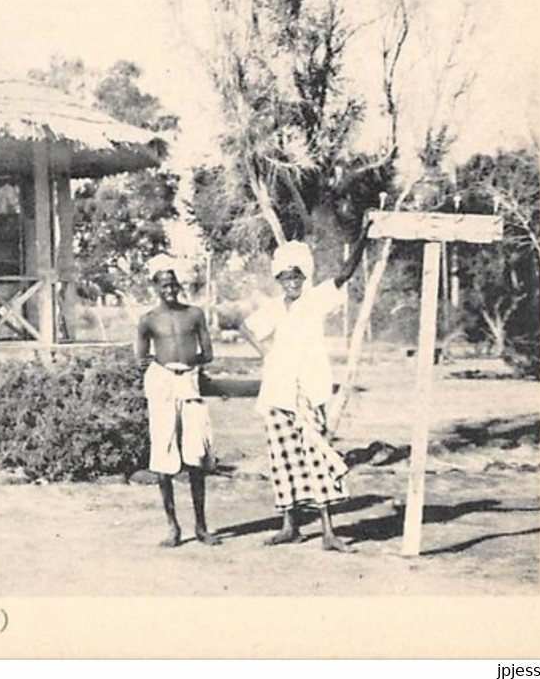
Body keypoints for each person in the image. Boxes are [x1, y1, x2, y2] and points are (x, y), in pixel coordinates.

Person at [240, 234, 369, 552]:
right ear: (278, 280)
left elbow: (345, 273)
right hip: (276, 390)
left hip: (308, 389)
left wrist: (363, 236)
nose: (291, 282)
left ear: (304, 276)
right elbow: (245, 327)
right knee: (282, 459)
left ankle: (328, 532)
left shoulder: (316, 300)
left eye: (296, 276)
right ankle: (290, 527)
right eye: (285, 277)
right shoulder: (271, 308)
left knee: (317, 455)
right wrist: (266, 353)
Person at [135, 254, 219, 548]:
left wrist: (186, 366)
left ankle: (201, 527)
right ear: (155, 287)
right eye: (163, 285)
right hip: (162, 383)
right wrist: (164, 372)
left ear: (178, 285)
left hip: (188, 381)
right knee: (163, 453)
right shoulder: (148, 320)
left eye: (173, 284)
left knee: (195, 453)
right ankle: (173, 528)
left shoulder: (194, 314)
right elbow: (141, 358)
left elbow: (208, 352)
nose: (169, 289)